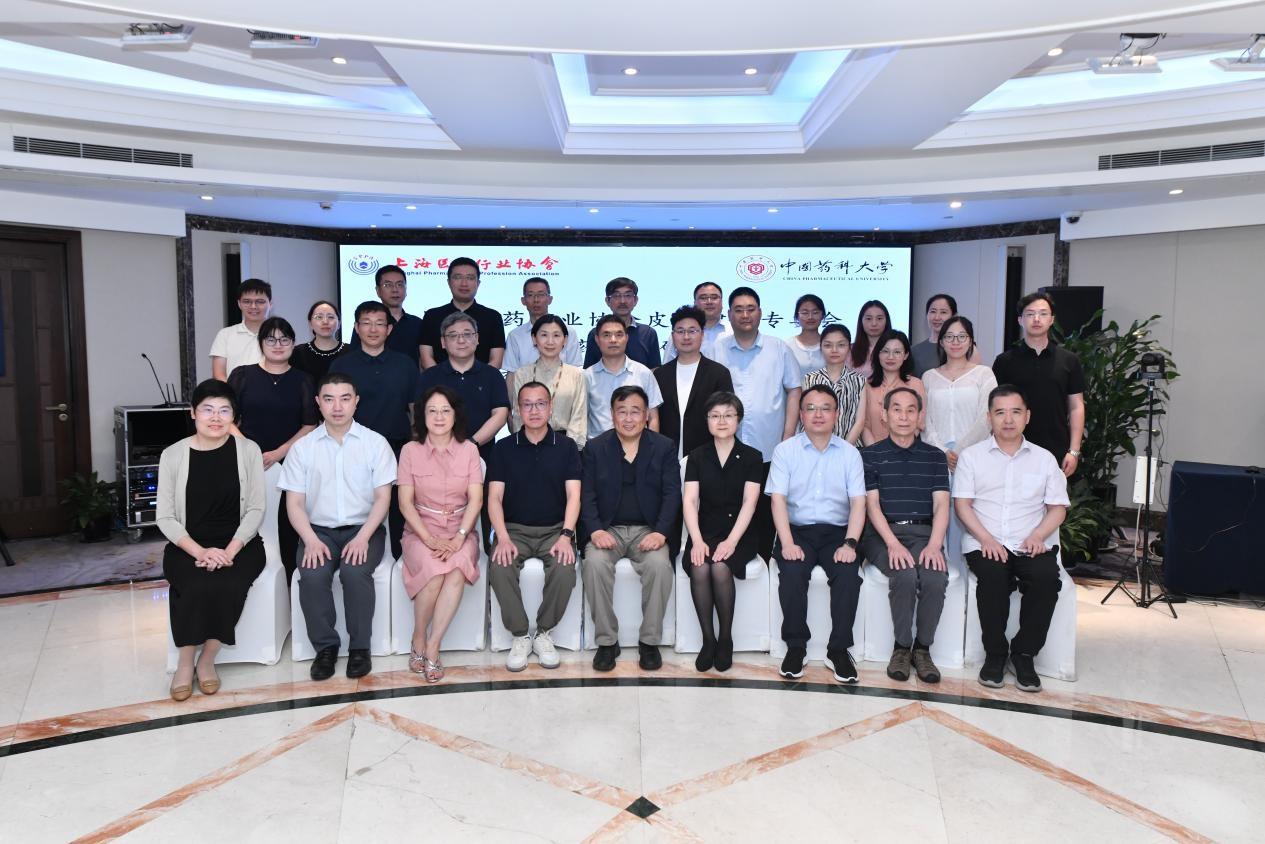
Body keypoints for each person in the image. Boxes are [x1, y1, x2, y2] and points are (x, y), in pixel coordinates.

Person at [280, 373, 397, 681]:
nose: (337, 407)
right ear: (318, 403)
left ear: (356, 402)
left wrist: (363, 537)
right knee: (312, 574)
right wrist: (309, 539)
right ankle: (326, 648)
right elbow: (294, 504)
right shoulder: (303, 448)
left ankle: (360, 648)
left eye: (345, 399)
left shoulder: (375, 443)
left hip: (365, 529)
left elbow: (383, 499)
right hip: (317, 531)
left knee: (354, 572)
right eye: (329, 399)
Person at [954, 385, 1069, 693]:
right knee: (993, 578)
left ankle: (1024, 654)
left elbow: (1058, 508)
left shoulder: (1044, 459)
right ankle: (995, 654)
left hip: (1030, 542)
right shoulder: (971, 457)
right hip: (984, 542)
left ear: (1027, 416)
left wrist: (1039, 534)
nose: (1008, 420)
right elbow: (962, 506)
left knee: (1046, 580)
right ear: (989, 418)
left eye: (1015, 412)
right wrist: (986, 539)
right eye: (1000, 413)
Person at [156, 379, 266, 701]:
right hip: (187, 545)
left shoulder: (248, 450)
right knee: (193, 585)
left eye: (224, 410)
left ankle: (207, 659)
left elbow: (256, 508)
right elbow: (165, 517)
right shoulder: (173, 455)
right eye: (207, 410)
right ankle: (185, 663)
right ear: (193, 413)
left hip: (240, 545)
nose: (216, 418)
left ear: (234, 416)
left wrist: (230, 550)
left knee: (228, 583)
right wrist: (200, 551)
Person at [767, 385, 867, 683]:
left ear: (836, 414)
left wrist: (850, 543)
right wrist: (787, 542)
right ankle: (796, 647)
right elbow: (777, 500)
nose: (818, 414)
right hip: (797, 530)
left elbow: (858, 503)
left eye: (825, 408)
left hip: (838, 532)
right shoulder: (785, 451)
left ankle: (838, 650)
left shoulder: (850, 454)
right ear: (801, 415)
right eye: (810, 408)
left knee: (848, 574)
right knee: (792, 571)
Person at [581, 386, 681, 672]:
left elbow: (672, 494)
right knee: (594, 563)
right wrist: (595, 530)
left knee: (659, 566)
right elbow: (586, 494)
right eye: (621, 411)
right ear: (612, 415)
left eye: (635, 412)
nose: (628, 418)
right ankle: (606, 642)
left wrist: (661, 532)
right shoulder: (595, 448)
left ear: (646, 415)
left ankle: (649, 642)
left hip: (648, 531)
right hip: (607, 530)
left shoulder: (663, 447)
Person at [487, 381, 582, 672]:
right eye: (527, 404)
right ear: (518, 410)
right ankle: (520, 635)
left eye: (541, 403)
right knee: (500, 567)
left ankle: (543, 633)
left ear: (550, 407)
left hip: (555, 530)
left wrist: (566, 535)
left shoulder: (566, 447)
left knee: (564, 569)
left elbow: (574, 496)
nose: (534, 410)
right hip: (514, 529)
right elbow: (494, 498)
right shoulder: (503, 448)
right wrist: (502, 537)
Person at [859, 387, 951, 684]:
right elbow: (872, 505)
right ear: (884, 415)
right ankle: (901, 647)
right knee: (905, 574)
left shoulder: (935, 457)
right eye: (896, 409)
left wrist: (935, 545)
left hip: (924, 533)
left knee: (935, 578)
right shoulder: (870, 455)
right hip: (882, 534)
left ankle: (922, 650)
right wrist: (892, 543)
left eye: (911, 410)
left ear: (920, 416)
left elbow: (941, 505)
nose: (904, 416)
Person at [396, 386, 484, 683]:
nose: (439, 417)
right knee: (434, 572)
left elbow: (476, 500)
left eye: (446, 410)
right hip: (420, 530)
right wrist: (428, 538)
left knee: (456, 569)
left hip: (461, 529)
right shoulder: (410, 451)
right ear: (422, 415)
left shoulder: (469, 450)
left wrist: (460, 537)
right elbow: (405, 504)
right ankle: (418, 636)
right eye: (432, 411)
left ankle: (433, 646)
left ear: (455, 415)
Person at [711, 286, 801, 559]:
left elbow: (794, 389)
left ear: (760, 312)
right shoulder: (717, 348)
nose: (745, 315)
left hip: (769, 448)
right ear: (729, 314)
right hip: (727, 449)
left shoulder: (778, 348)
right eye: (738, 310)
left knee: (765, 512)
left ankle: (763, 566)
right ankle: (729, 561)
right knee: (728, 510)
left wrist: (787, 436)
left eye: (750, 309)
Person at [329, 301, 425, 558]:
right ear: (356, 328)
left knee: (398, 509)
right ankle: (357, 556)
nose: (373, 329)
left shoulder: (405, 364)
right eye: (367, 323)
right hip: (351, 449)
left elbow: (415, 410)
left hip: (396, 448)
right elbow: (332, 411)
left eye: (380, 323)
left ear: (389, 330)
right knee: (356, 509)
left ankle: (399, 560)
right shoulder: (341, 366)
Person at [227, 316, 318, 582]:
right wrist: (249, 449)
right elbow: (226, 418)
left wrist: (280, 452)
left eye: (284, 339)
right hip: (246, 459)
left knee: (287, 527)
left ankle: (288, 586)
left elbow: (310, 424)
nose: (278, 345)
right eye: (271, 339)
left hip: (291, 462)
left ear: (293, 343)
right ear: (261, 343)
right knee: (246, 521)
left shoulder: (303, 380)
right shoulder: (242, 375)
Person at [682, 391, 763, 673]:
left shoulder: (752, 457)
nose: (722, 421)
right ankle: (708, 640)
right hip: (704, 531)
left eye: (728, 415)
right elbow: (690, 501)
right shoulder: (697, 457)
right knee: (700, 567)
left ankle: (726, 638)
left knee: (719, 567)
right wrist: (696, 540)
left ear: (738, 420)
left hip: (740, 533)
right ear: (707, 420)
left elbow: (750, 503)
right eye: (715, 416)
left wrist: (731, 541)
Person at [992, 292, 1086, 478]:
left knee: (1054, 497)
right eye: (1030, 314)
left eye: (1043, 313)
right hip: (1012, 448)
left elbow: (1076, 406)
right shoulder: (1004, 362)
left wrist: (1074, 451)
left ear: (1052, 320)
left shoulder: (1069, 360)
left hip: (1057, 449)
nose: (1036, 319)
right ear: (1020, 320)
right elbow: (994, 408)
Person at [418, 312, 510, 464]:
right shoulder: (429, 377)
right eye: (453, 335)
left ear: (477, 338)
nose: (461, 340)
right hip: (436, 458)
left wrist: (471, 444)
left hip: (482, 457)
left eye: (467, 334)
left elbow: (500, 415)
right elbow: (420, 416)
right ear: (443, 342)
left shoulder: (492, 375)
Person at [652, 305, 734, 461]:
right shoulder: (660, 375)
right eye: (680, 331)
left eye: (692, 331)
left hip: (707, 459)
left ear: (702, 335)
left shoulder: (718, 374)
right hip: (666, 459)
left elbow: (727, 418)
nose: (686, 337)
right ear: (672, 336)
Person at [923, 316, 997, 473]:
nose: (955, 342)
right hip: (937, 458)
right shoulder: (928, 377)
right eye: (949, 337)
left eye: (962, 336)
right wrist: (942, 451)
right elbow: (925, 420)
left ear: (970, 341)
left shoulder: (984, 374)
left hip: (977, 455)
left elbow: (986, 417)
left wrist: (960, 450)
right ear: (941, 342)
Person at [507, 315, 587, 447]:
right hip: (529, 444)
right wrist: (523, 444)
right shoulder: (522, 374)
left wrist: (571, 448)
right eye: (544, 335)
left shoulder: (576, 375)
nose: (550, 341)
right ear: (534, 338)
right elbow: (518, 414)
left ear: (565, 340)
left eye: (556, 335)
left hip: (566, 445)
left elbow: (579, 416)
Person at [584, 314, 663, 440]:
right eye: (606, 335)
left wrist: (653, 447)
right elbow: (582, 417)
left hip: (638, 446)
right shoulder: (586, 376)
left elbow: (653, 417)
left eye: (619, 334)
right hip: (598, 447)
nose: (613, 340)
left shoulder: (643, 373)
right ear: (597, 340)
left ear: (626, 338)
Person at [420, 257, 506, 369]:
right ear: (449, 282)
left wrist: (481, 378)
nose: (464, 283)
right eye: (458, 277)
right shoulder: (432, 316)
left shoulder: (493, 317)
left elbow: (496, 360)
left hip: (483, 380)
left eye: (470, 278)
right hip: (439, 380)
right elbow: (426, 357)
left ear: (478, 283)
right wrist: (440, 378)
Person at [800, 323, 866, 445]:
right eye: (828, 345)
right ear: (821, 347)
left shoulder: (860, 381)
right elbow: (805, 417)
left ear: (849, 348)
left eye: (841, 345)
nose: (834, 350)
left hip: (850, 448)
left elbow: (860, 421)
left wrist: (843, 449)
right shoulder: (809, 379)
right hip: (813, 447)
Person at [351, 266, 425, 368]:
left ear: (406, 289)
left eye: (400, 284)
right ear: (378, 290)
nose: (395, 290)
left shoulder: (417, 323)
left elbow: (423, 359)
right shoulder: (366, 324)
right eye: (388, 285)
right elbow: (354, 356)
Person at [502, 277, 582, 370]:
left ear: (550, 299)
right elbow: (512, 372)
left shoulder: (568, 331)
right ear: (523, 301)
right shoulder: (515, 335)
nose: (536, 300)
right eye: (530, 295)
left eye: (541, 295)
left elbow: (575, 369)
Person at [862, 330, 926, 446]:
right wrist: (874, 451)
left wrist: (900, 448)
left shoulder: (916, 384)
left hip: (906, 450)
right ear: (878, 354)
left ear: (905, 355)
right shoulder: (866, 385)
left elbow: (919, 423)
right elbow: (864, 426)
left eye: (897, 352)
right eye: (885, 351)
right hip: (873, 450)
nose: (890, 357)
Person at [583, 278, 661, 368]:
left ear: (635, 300)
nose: (622, 301)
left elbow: (655, 369)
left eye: (628, 295)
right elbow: (589, 370)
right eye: (616, 296)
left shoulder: (647, 333)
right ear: (607, 301)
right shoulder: (596, 333)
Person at [209, 278, 272, 381]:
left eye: (260, 302)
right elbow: (218, 374)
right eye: (247, 301)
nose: (253, 306)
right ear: (239, 304)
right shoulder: (225, 334)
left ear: (270, 304)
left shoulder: (279, 336)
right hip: (232, 391)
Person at [910, 294, 980, 377]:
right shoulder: (914, 350)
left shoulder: (966, 348)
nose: (937, 317)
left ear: (954, 316)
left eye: (943, 312)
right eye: (933, 311)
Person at [290, 300, 351, 384]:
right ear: (310, 324)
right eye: (319, 317)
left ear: (339, 324)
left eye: (330, 317)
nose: (325, 321)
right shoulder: (298, 353)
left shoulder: (351, 351)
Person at [664, 281, 727, 361]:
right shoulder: (680, 334)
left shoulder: (733, 332)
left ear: (721, 302)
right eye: (703, 298)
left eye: (714, 298)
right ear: (694, 303)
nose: (709, 302)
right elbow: (668, 365)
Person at [786, 294, 826, 377]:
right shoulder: (788, 346)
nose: (810, 317)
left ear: (822, 315)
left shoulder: (830, 345)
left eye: (815, 312)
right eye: (805, 313)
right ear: (797, 316)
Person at [849, 299, 891, 378]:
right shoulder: (850, 351)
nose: (874, 323)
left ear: (886, 321)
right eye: (868, 318)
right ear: (861, 321)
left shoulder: (896, 349)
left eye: (879, 318)